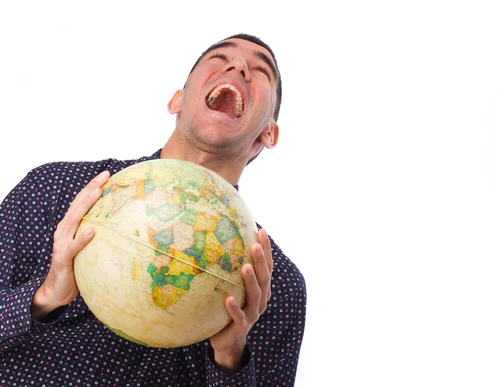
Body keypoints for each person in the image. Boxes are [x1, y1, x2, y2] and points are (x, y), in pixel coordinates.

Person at [0, 33, 306, 386]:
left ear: (268, 134)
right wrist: (46, 295)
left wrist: (230, 357)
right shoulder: (56, 188)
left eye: (260, 71)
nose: (238, 67)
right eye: (220, 57)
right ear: (177, 100)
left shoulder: (275, 284)